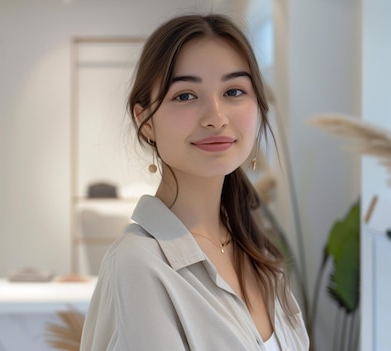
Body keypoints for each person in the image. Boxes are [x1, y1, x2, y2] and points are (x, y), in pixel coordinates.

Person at [80, 14, 309, 351]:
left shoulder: (256, 253)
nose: (216, 117)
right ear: (145, 122)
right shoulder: (140, 265)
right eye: (185, 95)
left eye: (233, 91)